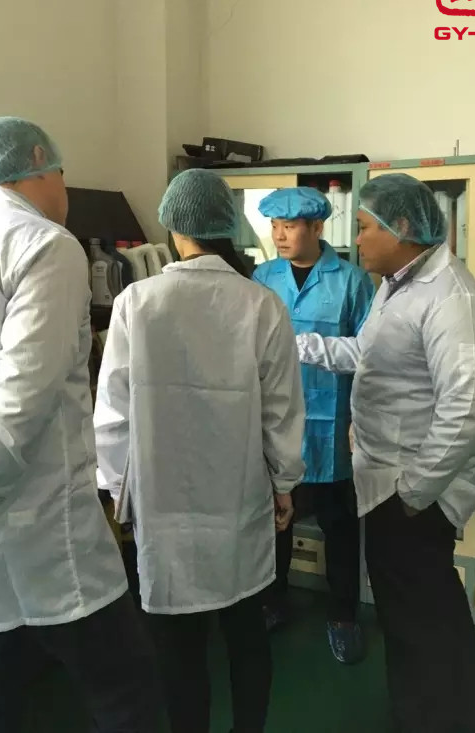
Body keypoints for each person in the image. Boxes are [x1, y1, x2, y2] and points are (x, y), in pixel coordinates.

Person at [0, 117, 159, 733]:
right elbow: (22, 399)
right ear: (38, 166)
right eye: (61, 173)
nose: (65, 190)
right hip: (39, 532)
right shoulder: (45, 245)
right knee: (127, 693)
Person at [93, 168, 305, 733]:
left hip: (161, 507)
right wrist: (285, 483)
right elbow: (282, 410)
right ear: (225, 226)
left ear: (173, 226)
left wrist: (120, 493)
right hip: (240, 500)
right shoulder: (262, 305)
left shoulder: (136, 302)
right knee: (246, 633)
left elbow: (111, 414)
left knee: (176, 646)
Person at [297, 173, 475, 733]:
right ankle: (471, 700)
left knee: (410, 616)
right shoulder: (397, 285)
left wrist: (415, 493)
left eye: (365, 227)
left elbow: (466, 409)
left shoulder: (452, 299)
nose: (356, 239)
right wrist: (293, 343)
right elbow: (365, 353)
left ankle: (426, 717)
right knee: (433, 599)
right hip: (390, 479)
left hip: (411, 487)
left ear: (402, 226)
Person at [253, 187, 374, 664]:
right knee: (274, 523)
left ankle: (343, 616)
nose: (279, 235)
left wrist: (361, 423)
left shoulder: (352, 282)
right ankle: (273, 602)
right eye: (275, 226)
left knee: (340, 528)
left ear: (318, 227)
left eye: (290, 226)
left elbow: (370, 356)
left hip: (334, 431)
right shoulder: (263, 277)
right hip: (276, 426)